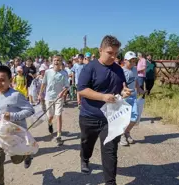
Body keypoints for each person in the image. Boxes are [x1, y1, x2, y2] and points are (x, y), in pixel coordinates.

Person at [77, 35, 131, 185]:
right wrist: (102, 97)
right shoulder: (90, 68)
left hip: (111, 117)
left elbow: (122, 89)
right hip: (89, 116)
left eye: (115, 54)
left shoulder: (118, 70)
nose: (113, 56)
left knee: (110, 151)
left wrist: (124, 93)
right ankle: (85, 158)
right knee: (87, 143)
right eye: (110, 53)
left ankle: (110, 182)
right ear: (100, 50)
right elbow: (81, 90)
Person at [0, 65, 34, 185]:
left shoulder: (16, 95)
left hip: (16, 134)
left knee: (16, 160)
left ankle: (27, 154)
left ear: (10, 80)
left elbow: (30, 110)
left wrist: (12, 115)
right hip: (2, 134)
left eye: (3, 80)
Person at [38, 55, 69, 146]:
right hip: (49, 97)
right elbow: (43, 84)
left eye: (58, 60)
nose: (56, 62)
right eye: (54, 60)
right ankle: (50, 123)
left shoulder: (64, 73)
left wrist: (62, 92)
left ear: (61, 62)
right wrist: (40, 94)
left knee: (58, 115)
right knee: (50, 116)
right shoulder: (48, 72)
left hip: (59, 98)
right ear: (52, 62)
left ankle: (59, 136)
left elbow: (67, 86)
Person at [120, 51, 144, 146]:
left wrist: (140, 89)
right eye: (131, 61)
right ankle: (122, 136)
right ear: (125, 61)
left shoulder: (134, 69)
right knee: (124, 118)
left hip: (133, 97)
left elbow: (136, 81)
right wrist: (124, 91)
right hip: (124, 98)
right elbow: (121, 84)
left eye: (134, 60)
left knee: (134, 117)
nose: (133, 62)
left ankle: (126, 132)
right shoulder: (121, 71)